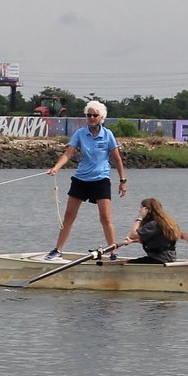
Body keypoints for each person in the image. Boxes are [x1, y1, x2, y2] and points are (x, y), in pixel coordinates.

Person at [44, 100, 128, 259]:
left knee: (105, 217)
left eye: (94, 115)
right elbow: (68, 153)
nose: (91, 117)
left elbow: (117, 159)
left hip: (101, 179)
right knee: (69, 215)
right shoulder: (80, 133)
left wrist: (122, 181)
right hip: (81, 179)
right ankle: (57, 250)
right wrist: (56, 168)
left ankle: (113, 251)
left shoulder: (108, 134)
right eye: (88, 115)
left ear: (101, 117)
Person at [120, 197, 181, 264]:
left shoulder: (153, 224)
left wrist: (139, 218)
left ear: (147, 210)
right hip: (170, 258)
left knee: (127, 263)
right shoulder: (166, 223)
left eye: (141, 208)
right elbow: (157, 241)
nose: (139, 211)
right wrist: (132, 241)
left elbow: (132, 235)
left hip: (158, 259)